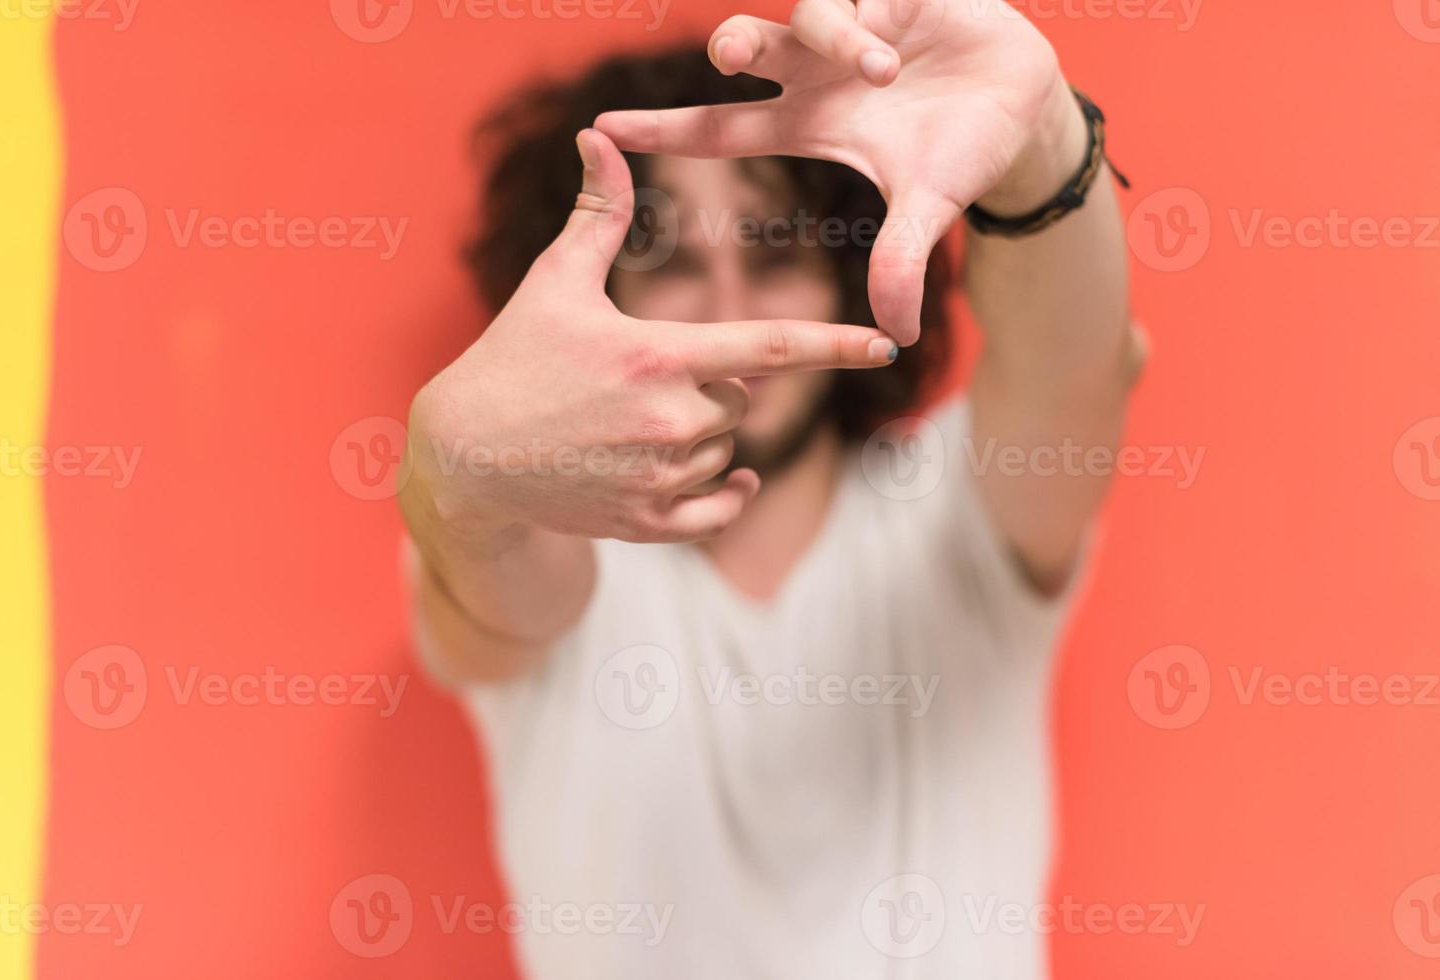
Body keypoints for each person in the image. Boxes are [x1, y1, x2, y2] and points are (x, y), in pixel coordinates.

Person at [400, 1, 1143, 975]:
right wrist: (456, 467)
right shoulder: (542, 536)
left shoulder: (952, 512)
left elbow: (1072, 368)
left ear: (847, 274)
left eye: (772, 254)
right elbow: (485, 586)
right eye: (665, 262)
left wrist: (1037, 132)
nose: (725, 315)